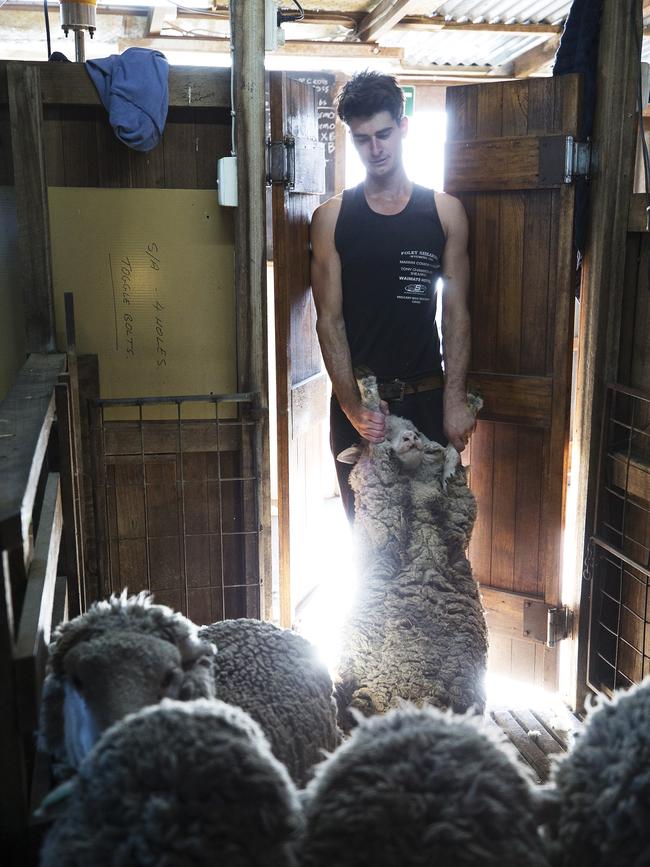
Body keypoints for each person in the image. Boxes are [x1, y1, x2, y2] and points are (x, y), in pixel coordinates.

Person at [310, 70, 475, 522]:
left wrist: (455, 399)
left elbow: (457, 313)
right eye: (363, 139)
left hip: (425, 399)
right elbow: (329, 320)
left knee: (435, 543)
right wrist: (350, 404)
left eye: (384, 134)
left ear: (403, 127)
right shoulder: (331, 219)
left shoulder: (444, 213)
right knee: (369, 546)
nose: (376, 149)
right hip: (361, 404)